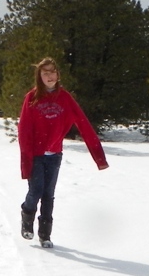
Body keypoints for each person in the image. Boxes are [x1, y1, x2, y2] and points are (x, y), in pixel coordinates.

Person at [18, 57, 109, 248]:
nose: (50, 76)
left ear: (58, 74)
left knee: (48, 195)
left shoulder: (65, 98)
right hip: (35, 155)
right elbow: (24, 131)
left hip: (55, 155)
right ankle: (27, 218)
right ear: (39, 76)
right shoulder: (32, 98)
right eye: (45, 73)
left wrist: (98, 156)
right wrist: (26, 160)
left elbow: (83, 123)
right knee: (35, 192)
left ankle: (45, 235)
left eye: (53, 72)